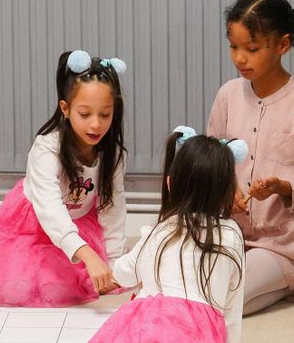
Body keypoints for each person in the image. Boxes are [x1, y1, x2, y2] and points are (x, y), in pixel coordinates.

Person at [0, 50, 128, 306]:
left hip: (79, 226)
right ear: (65, 109)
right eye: (85, 114)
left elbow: (113, 209)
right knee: (20, 291)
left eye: (105, 114)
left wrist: (114, 262)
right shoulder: (47, 148)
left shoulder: (114, 154)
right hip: (35, 229)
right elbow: (50, 210)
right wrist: (87, 254)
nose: (96, 125)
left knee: (94, 282)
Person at [205, 0, 294, 315]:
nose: (240, 58)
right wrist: (224, 190)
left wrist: (286, 188)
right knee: (194, 283)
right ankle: (288, 283)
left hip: (286, 243)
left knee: (221, 300)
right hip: (232, 233)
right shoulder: (228, 95)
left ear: (282, 45)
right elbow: (212, 160)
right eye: (234, 47)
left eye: (251, 49)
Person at [92, 129, 247, 343]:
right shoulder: (232, 236)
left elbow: (123, 273)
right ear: (229, 192)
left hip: (147, 329)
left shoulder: (160, 230)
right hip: (200, 333)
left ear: (169, 183)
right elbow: (232, 311)